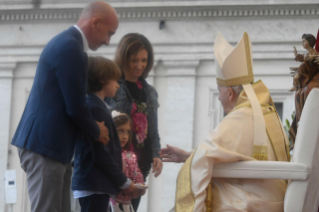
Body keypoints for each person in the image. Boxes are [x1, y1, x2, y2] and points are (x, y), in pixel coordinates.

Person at [160, 32, 290, 212]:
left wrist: (191, 159)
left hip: (250, 204)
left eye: (219, 91)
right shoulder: (268, 113)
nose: (219, 98)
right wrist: (187, 156)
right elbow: (230, 156)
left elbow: (204, 157)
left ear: (230, 93)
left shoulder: (240, 117)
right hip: (275, 202)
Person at [11, 2, 118, 211]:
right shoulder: (70, 47)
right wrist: (97, 129)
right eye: (109, 34)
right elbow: (75, 105)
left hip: (52, 148)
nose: (108, 41)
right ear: (96, 22)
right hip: (45, 146)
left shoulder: (71, 45)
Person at [72, 57, 141, 212]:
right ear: (103, 80)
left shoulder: (98, 106)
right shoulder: (95, 108)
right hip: (94, 184)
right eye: (114, 80)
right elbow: (101, 153)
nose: (118, 85)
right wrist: (124, 182)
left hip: (95, 184)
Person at [107, 33, 163, 211]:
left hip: (140, 165)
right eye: (134, 60)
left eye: (144, 60)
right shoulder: (113, 87)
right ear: (124, 59)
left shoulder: (150, 92)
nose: (140, 66)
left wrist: (156, 154)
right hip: (115, 162)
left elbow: (153, 129)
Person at [111, 110, 147, 212]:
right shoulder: (109, 156)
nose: (125, 136)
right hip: (111, 202)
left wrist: (140, 187)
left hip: (126, 204)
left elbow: (137, 175)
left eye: (127, 131)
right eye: (120, 131)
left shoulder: (130, 155)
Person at [289, 33, 319, 147]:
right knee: (299, 93)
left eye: (304, 42)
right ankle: (301, 123)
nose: (302, 44)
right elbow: (302, 58)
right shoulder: (307, 53)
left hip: (310, 73)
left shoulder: (314, 53)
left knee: (307, 90)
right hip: (307, 73)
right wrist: (297, 55)